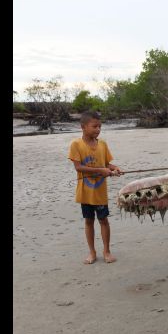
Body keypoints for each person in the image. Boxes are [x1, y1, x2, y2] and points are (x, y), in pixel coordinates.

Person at [68, 111, 123, 264]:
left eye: (100, 126)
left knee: (103, 220)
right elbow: (78, 167)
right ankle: (92, 252)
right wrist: (100, 171)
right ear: (83, 127)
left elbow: (107, 165)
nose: (98, 129)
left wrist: (114, 168)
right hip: (85, 192)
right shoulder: (76, 144)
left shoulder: (103, 144)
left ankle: (107, 251)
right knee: (89, 221)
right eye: (94, 126)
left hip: (99, 192)